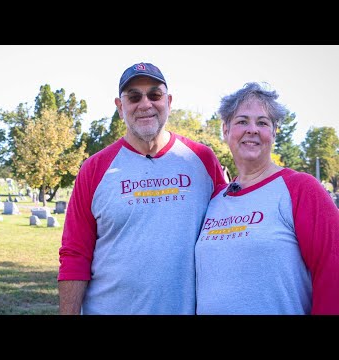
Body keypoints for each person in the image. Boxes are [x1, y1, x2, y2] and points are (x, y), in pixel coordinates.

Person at [57, 62, 226, 314]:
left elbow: (223, 235)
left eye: (155, 95)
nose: (145, 104)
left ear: (168, 101)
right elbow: (75, 253)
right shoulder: (94, 169)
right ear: (119, 107)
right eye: (134, 97)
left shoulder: (201, 159)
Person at [195, 82, 339, 315]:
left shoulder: (300, 189)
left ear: (273, 132)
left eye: (262, 122)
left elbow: (333, 273)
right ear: (225, 130)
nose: (252, 129)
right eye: (242, 121)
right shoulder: (214, 200)